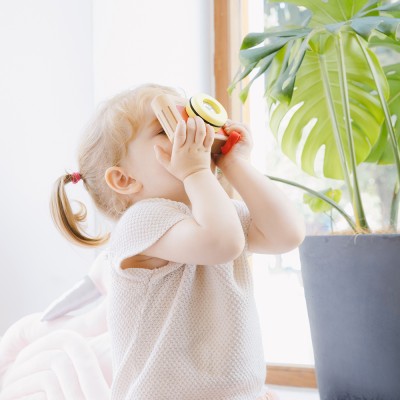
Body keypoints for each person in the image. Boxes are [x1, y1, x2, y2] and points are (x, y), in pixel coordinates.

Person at [50, 83, 305, 400]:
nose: (193, 131)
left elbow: (286, 235)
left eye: (188, 119)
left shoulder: (215, 216)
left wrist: (235, 164)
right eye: (165, 128)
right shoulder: (141, 222)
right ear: (124, 179)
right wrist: (196, 171)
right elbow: (223, 243)